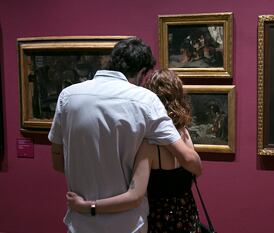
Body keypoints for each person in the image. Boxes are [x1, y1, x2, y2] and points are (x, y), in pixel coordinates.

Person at [49, 37, 202, 233]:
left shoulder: (68, 96)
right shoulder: (145, 100)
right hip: (127, 224)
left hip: (81, 221)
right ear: (141, 72)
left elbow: (57, 161)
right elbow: (190, 159)